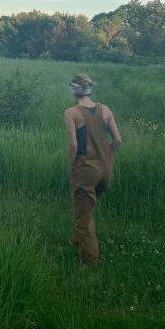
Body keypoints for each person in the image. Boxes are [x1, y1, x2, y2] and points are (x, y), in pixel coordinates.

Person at [63, 74, 122, 266]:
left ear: (74, 91)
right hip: (105, 169)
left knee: (83, 215)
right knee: (87, 210)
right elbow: (118, 141)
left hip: (86, 169)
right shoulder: (105, 110)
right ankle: (76, 240)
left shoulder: (71, 113)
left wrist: (71, 166)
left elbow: (73, 145)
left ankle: (90, 262)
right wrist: (106, 154)